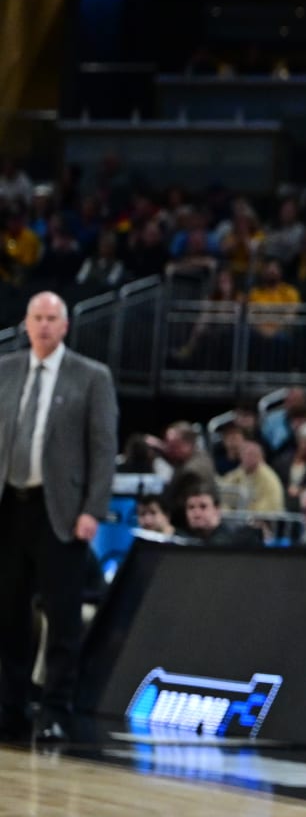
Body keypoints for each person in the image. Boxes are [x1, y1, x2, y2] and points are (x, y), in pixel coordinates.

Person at [0, 291, 118, 743]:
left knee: (63, 616)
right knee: (8, 615)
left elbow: (104, 449)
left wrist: (93, 509)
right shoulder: (7, 370)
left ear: (65, 326)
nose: (44, 326)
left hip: (62, 514)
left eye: (52, 318)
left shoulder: (91, 377)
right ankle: (11, 706)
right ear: (26, 324)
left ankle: (55, 709)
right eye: (37, 318)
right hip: (10, 507)